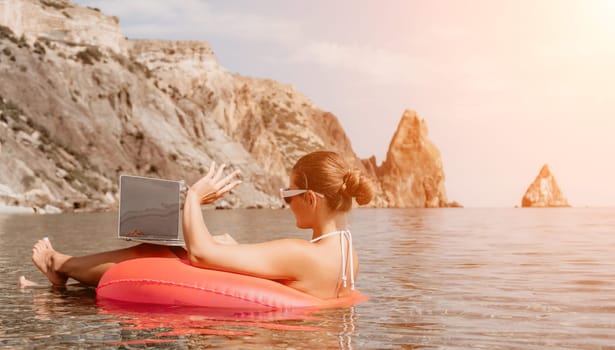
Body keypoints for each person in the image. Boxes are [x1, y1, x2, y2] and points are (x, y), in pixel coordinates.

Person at [30, 151, 374, 299]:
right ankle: (66, 273)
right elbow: (288, 271)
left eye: (289, 194)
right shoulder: (348, 255)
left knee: (157, 252)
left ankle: (57, 264)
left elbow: (199, 255)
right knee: (222, 242)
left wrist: (193, 197)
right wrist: (231, 246)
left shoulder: (302, 253)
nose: (286, 203)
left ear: (311, 198)